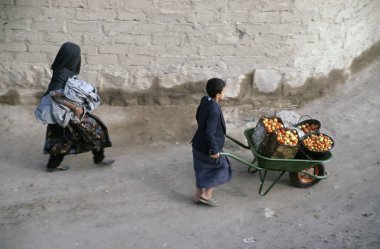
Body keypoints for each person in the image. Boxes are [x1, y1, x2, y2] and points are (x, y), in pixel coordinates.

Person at [35, 42, 114, 172]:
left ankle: (53, 165)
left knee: (61, 138)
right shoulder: (62, 72)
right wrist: (75, 108)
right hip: (67, 113)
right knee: (96, 130)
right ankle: (99, 158)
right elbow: (55, 93)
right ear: (72, 57)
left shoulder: (60, 69)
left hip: (59, 114)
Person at [191, 78, 232, 206]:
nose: (225, 93)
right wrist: (213, 150)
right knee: (222, 167)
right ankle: (207, 195)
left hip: (197, 144)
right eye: (223, 91)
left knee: (201, 169)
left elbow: (198, 116)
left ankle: (198, 195)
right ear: (218, 95)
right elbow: (209, 133)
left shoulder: (205, 100)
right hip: (207, 147)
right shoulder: (214, 110)